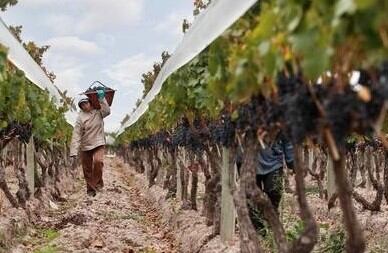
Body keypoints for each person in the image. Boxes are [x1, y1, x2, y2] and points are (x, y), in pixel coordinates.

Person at [249, 130, 294, 233]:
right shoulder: (246, 118)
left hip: (274, 162)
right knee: (252, 198)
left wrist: (291, 161)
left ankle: (272, 222)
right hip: (250, 163)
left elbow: (286, 137)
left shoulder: (277, 117)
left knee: (274, 191)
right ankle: (259, 231)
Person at [70, 89, 111, 197]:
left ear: (90, 102)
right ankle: (90, 190)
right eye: (82, 105)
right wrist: (73, 151)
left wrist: (102, 99)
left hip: (98, 142)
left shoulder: (98, 112)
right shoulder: (80, 118)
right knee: (87, 169)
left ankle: (97, 184)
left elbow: (107, 111)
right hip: (85, 145)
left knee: (98, 161)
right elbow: (76, 134)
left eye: (86, 103)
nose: (84, 106)